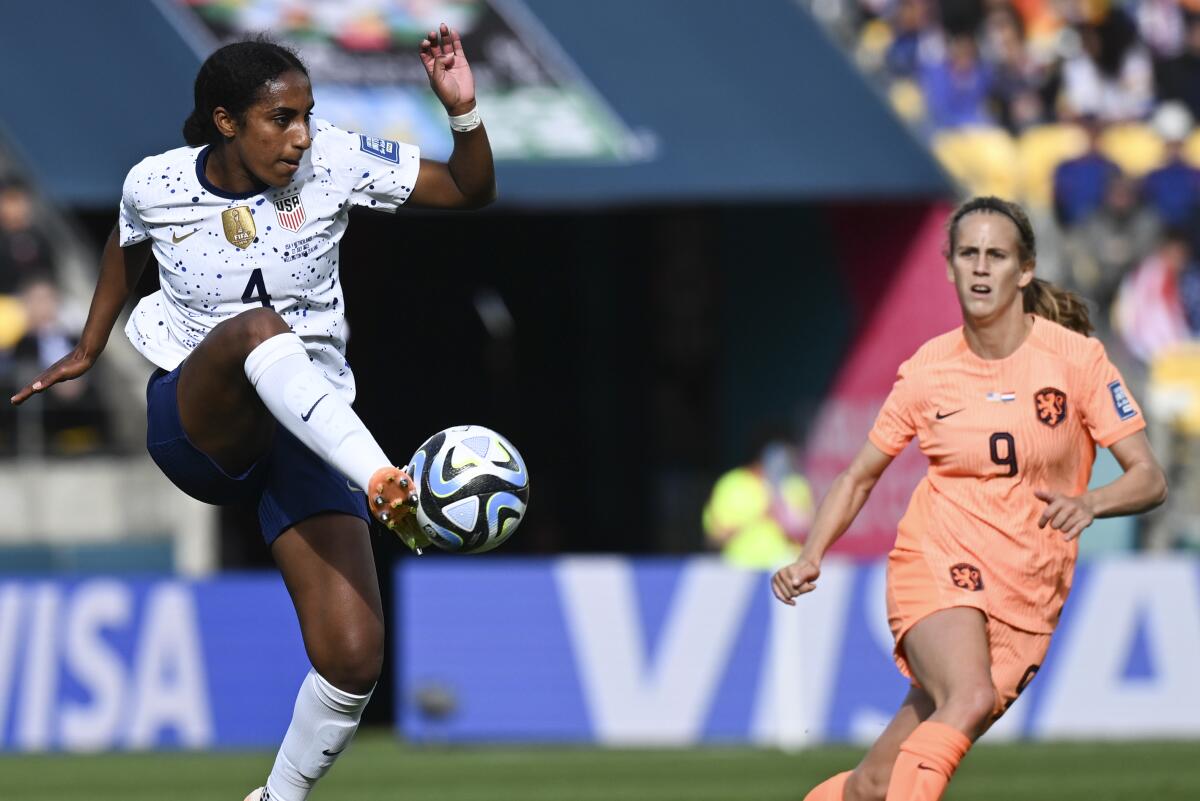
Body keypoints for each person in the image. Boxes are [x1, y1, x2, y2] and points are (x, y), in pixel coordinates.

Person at [10, 27, 494, 801]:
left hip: (310, 424)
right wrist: (88, 344)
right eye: (282, 119)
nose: (302, 136)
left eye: (307, 114)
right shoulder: (157, 183)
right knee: (258, 332)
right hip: (202, 424)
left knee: (355, 653)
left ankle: (276, 796)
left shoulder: (333, 160)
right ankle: (383, 478)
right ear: (227, 121)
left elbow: (468, 188)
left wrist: (463, 113)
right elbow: (124, 245)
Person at [772, 196, 1167, 801]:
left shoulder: (1078, 361)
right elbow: (857, 477)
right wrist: (811, 554)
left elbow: (1148, 477)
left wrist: (1091, 503)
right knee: (970, 695)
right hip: (938, 561)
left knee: (877, 781)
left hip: (1029, 594)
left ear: (1024, 269)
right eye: (968, 254)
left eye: (996, 255)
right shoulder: (928, 371)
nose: (981, 268)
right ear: (951, 267)